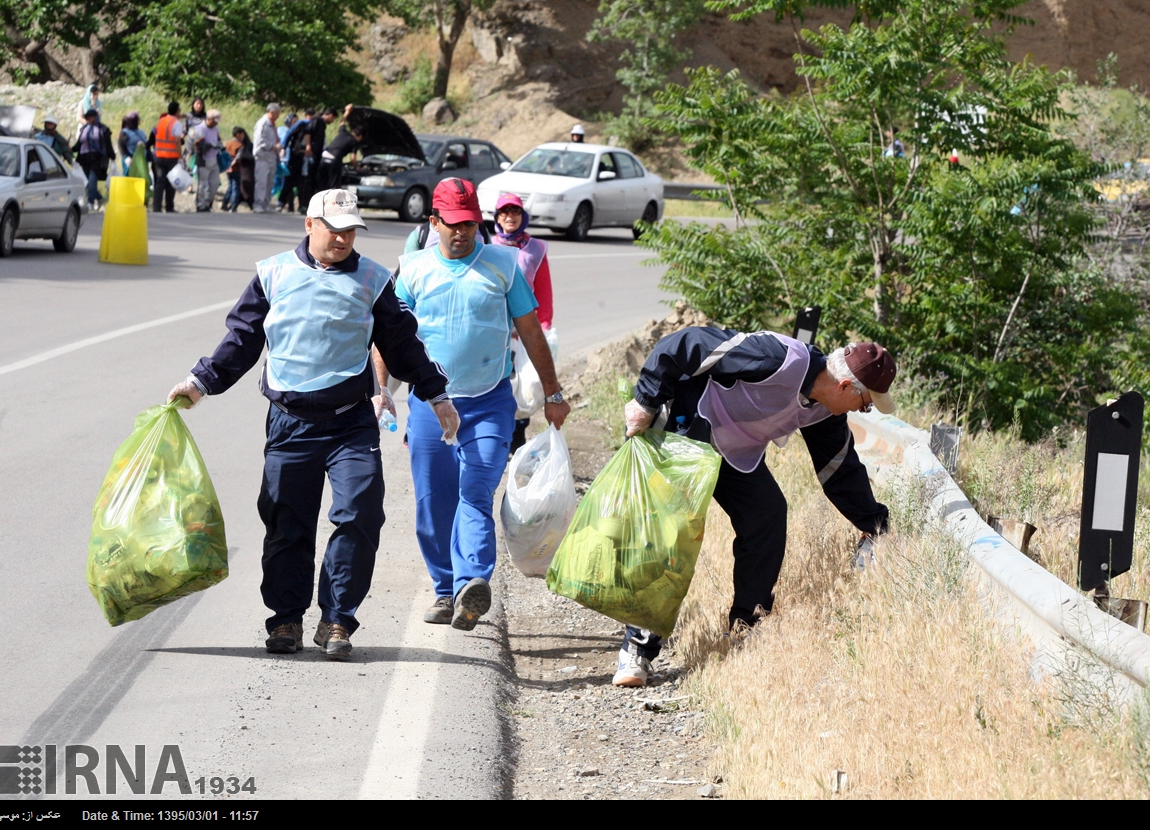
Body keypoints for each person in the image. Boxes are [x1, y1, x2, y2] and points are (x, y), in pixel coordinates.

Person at [166, 189, 460, 659]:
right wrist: (200, 382)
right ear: (310, 224)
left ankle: (337, 620)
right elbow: (241, 340)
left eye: (350, 231)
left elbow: (404, 345)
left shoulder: (374, 280)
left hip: (351, 424)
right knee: (287, 522)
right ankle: (286, 620)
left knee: (360, 514)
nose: (343, 238)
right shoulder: (273, 273)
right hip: (289, 424)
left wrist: (437, 395)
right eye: (334, 229)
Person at [615, 329, 899, 687]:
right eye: (866, 403)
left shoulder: (824, 411)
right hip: (688, 430)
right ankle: (637, 649)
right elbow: (684, 344)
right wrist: (645, 399)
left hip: (735, 454)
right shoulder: (778, 359)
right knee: (671, 533)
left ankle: (745, 628)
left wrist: (874, 523)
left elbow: (839, 468)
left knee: (767, 515)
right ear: (846, 388)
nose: (864, 410)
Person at [379, 178, 570, 631]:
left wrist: (553, 393)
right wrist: (382, 389)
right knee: (433, 501)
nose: (461, 232)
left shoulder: (503, 265)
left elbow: (530, 331)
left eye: (469, 223)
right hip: (429, 405)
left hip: (489, 402)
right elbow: (388, 335)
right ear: (434, 222)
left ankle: (472, 583)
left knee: (476, 491)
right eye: (452, 224)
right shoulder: (413, 268)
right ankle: (445, 591)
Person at [492, 192, 554, 452]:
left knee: (526, 385)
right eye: (504, 212)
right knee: (501, 379)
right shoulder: (487, 245)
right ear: (496, 217)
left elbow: (543, 290)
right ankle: (499, 432)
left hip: (524, 327)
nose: (510, 217)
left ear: (523, 216)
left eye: (515, 211)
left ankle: (518, 434)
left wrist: (544, 325)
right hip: (495, 327)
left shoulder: (535, 249)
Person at [71, 108, 115, 211]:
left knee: (92, 180)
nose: (90, 119)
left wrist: (112, 156)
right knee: (86, 181)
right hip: (84, 159)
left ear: (96, 117)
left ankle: (90, 202)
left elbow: (108, 145)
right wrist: (70, 149)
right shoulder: (84, 129)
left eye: (92, 117)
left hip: (97, 159)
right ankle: (99, 197)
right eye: (88, 117)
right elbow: (79, 144)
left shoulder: (103, 129)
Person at [317, 104, 359, 192]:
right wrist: (358, 168)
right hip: (334, 160)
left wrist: (347, 111)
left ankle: (320, 202)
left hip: (324, 157)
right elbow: (353, 159)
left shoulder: (343, 132)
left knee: (322, 183)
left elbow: (342, 122)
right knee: (333, 186)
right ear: (360, 136)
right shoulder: (354, 142)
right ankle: (332, 204)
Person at [152, 101, 185, 213]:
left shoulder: (161, 121)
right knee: (171, 182)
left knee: (160, 182)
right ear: (177, 111)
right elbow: (177, 141)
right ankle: (169, 207)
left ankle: (156, 207)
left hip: (159, 156)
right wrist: (180, 157)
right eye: (179, 111)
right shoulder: (176, 123)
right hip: (171, 156)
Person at [301, 108, 336, 211]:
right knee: (308, 181)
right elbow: (307, 131)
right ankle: (304, 205)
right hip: (312, 155)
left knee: (315, 181)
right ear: (330, 115)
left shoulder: (322, 124)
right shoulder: (317, 120)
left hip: (317, 156)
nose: (332, 121)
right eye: (333, 119)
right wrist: (308, 147)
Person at [189, 109, 222, 212]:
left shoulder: (215, 128)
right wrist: (210, 145)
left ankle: (208, 203)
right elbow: (198, 146)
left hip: (214, 160)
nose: (216, 123)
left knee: (214, 184)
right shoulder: (200, 129)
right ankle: (200, 205)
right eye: (214, 121)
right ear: (208, 119)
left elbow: (218, 139)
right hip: (203, 161)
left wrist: (219, 145)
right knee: (202, 185)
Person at [252, 103, 283, 213]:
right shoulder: (262, 123)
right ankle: (258, 204)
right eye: (277, 113)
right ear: (271, 112)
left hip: (272, 157)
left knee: (270, 182)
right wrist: (273, 146)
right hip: (262, 156)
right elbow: (260, 141)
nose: (278, 116)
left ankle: (266, 204)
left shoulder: (273, 124)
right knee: (262, 181)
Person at [279, 110, 311, 212]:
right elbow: (285, 140)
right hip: (290, 160)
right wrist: (283, 148)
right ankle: (282, 204)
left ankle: (301, 206)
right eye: (294, 121)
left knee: (301, 184)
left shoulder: (305, 128)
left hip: (302, 159)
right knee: (288, 183)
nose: (295, 124)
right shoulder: (284, 131)